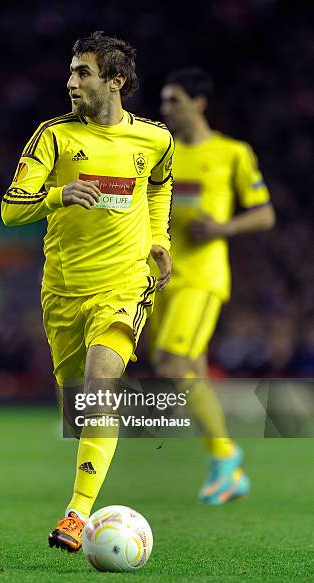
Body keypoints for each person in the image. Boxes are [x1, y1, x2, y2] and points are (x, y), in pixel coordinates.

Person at [1, 32, 174, 552]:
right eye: (71, 71)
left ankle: (76, 515)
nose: (71, 81)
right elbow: (12, 208)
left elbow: (160, 184)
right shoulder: (53, 136)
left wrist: (159, 240)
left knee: (103, 380)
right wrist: (59, 194)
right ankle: (90, 469)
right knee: (78, 413)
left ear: (116, 81)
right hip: (63, 290)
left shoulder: (154, 139)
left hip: (123, 283)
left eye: (83, 72)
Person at [149, 67, 275, 505]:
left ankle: (225, 454)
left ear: (199, 103)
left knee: (171, 362)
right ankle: (228, 470)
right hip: (161, 276)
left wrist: (223, 227)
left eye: (174, 101)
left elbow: (264, 213)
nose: (165, 109)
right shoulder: (161, 151)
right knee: (190, 372)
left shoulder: (232, 153)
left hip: (202, 278)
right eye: (163, 101)